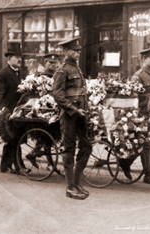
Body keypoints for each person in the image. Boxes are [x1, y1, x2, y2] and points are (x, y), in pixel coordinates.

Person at [53, 37, 92, 200]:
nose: (78, 53)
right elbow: (57, 95)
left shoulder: (77, 69)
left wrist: (87, 110)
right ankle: (70, 188)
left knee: (87, 146)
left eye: (79, 51)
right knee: (69, 150)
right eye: (74, 50)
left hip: (81, 115)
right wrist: (74, 110)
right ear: (65, 52)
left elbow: (82, 93)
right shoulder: (63, 70)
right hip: (69, 116)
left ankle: (76, 183)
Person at [0, 42, 30, 175]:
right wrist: (1, 112)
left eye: (20, 57)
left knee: (13, 140)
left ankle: (6, 166)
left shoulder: (23, 73)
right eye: (15, 57)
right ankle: (18, 166)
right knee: (13, 139)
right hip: (7, 112)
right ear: (9, 59)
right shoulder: (2, 74)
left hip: (20, 112)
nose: (19, 59)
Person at [130, 47, 150, 184]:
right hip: (142, 116)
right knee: (145, 144)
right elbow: (133, 99)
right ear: (143, 59)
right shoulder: (138, 76)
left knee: (145, 145)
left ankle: (125, 164)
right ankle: (148, 174)